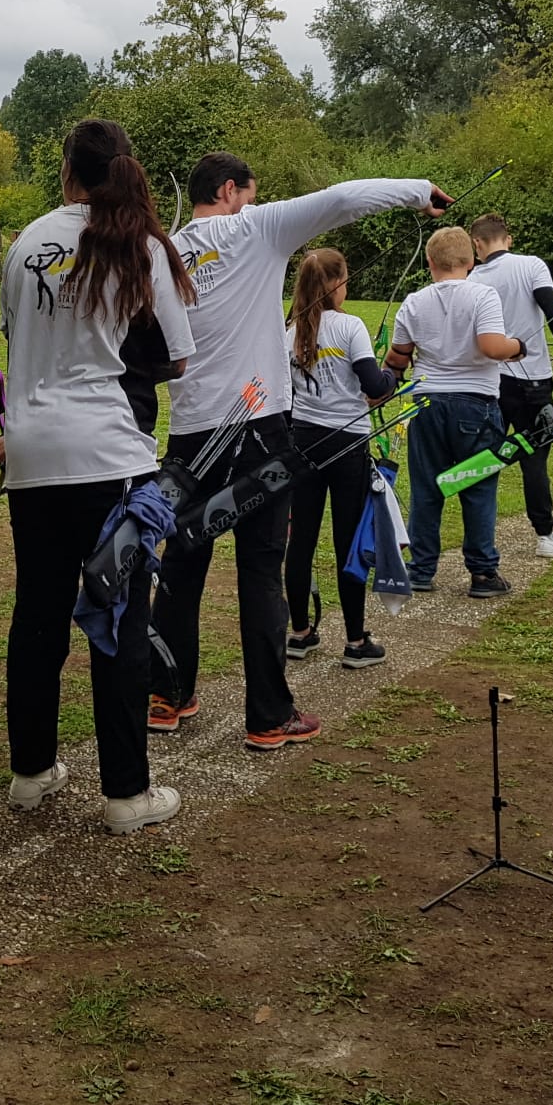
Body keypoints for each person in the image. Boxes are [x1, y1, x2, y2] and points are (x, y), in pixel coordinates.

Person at [150, 154, 446, 751]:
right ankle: (268, 715)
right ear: (229, 190)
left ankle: (166, 695)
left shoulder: (167, 251)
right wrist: (419, 191)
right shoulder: (254, 228)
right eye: (250, 194)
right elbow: (342, 198)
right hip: (258, 430)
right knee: (261, 570)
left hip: (190, 432)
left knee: (181, 563)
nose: (256, 204)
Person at [0, 119, 196, 833]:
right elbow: (177, 356)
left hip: (31, 456)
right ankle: (126, 794)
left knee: (38, 615)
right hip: (109, 460)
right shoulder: (138, 244)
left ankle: (30, 773)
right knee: (120, 622)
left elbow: (20, 341)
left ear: (67, 171)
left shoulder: (24, 244)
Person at [385, 226, 527, 597]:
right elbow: (492, 347)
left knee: (426, 487)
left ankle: (420, 569)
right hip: (475, 404)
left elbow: (398, 357)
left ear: (430, 262)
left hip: (427, 403)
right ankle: (482, 574)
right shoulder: (483, 295)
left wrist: (384, 385)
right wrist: (518, 346)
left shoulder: (414, 301)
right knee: (477, 486)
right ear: (471, 261)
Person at [283, 249, 399, 668]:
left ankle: (299, 633)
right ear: (334, 284)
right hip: (347, 445)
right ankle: (354, 641)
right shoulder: (350, 327)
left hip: (303, 443)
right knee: (348, 540)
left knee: (301, 540)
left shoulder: (289, 328)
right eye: (344, 280)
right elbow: (375, 386)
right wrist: (393, 375)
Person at [467, 213, 553, 557]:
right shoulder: (531, 265)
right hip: (532, 380)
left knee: (487, 456)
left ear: (477, 244)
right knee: (534, 457)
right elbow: (552, 311)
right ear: (509, 239)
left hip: (490, 382)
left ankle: (479, 538)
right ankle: (545, 535)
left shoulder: (473, 278)